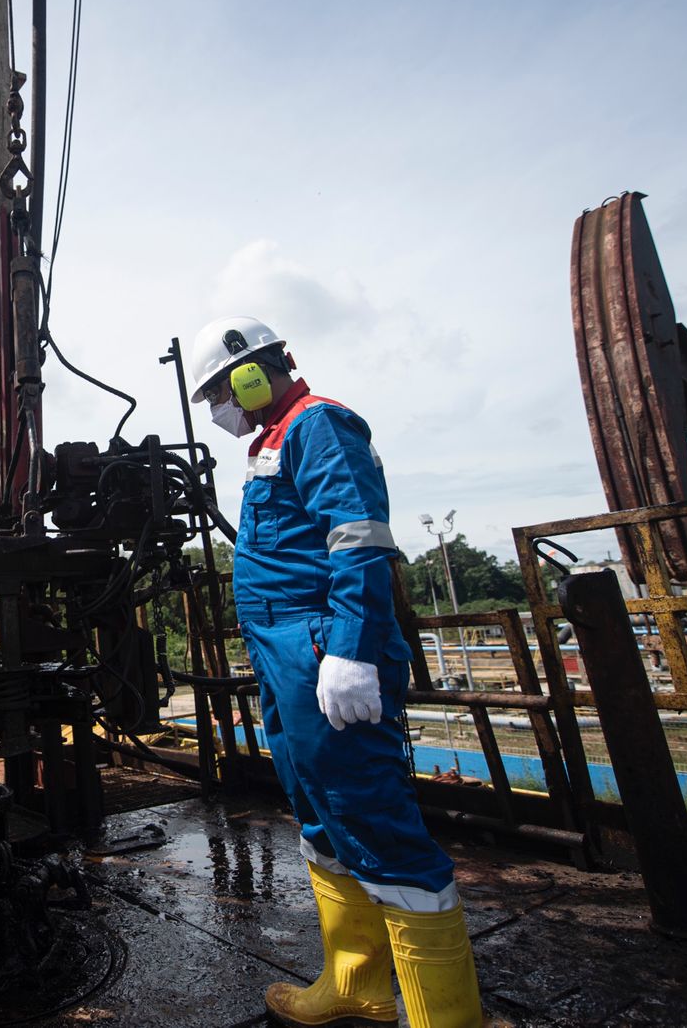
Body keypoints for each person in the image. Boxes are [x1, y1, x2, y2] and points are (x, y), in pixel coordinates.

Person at [189, 316, 489, 1028]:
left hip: (326, 649)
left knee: (370, 813)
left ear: (249, 376)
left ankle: (444, 1015)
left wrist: (352, 650)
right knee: (320, 810)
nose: (215, 413)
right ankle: (357, 983)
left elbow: (358, 540)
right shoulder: (272, 442)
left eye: (216, 395)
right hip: (284, 656)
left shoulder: (319, 426)